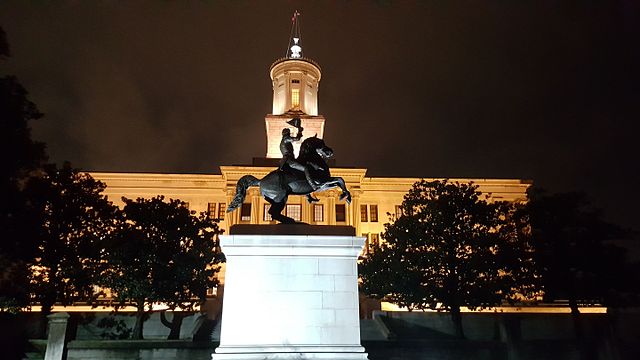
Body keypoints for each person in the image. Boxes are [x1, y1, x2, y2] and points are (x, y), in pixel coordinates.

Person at [279, 126, 321, 191]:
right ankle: (313, 185)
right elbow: (297, 139)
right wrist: (300, 131)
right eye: (289, 133)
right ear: (286, 133)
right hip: (289, 160)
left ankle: (308, 195)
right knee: (305, 168)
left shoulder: (284, 140)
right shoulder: (285, 139)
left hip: (288, 160)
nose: (290, 134)